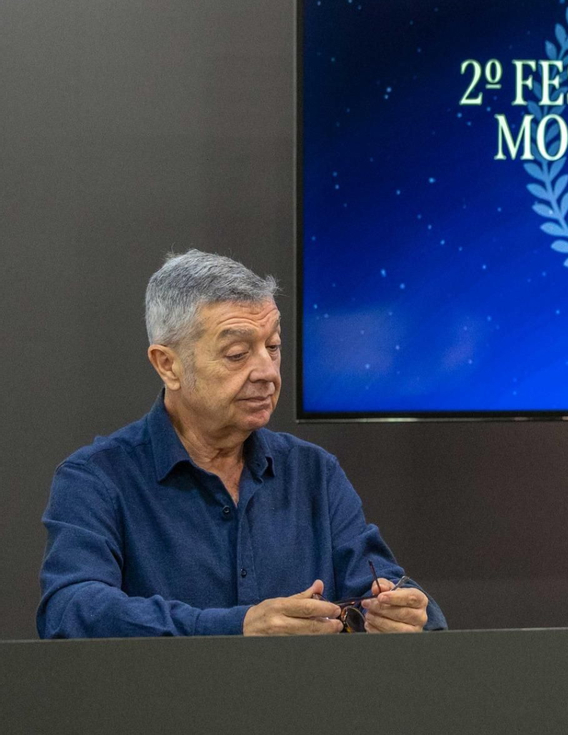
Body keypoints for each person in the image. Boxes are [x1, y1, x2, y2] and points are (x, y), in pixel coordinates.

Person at [38, 250, 445, 637]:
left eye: (273, 347)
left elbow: (387, 589)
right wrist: (238, 626)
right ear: (168, 365)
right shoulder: (97, 479)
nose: (266, 372)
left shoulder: (314, 472)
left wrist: (400, 614)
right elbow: (70, 609)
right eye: (237, 354)